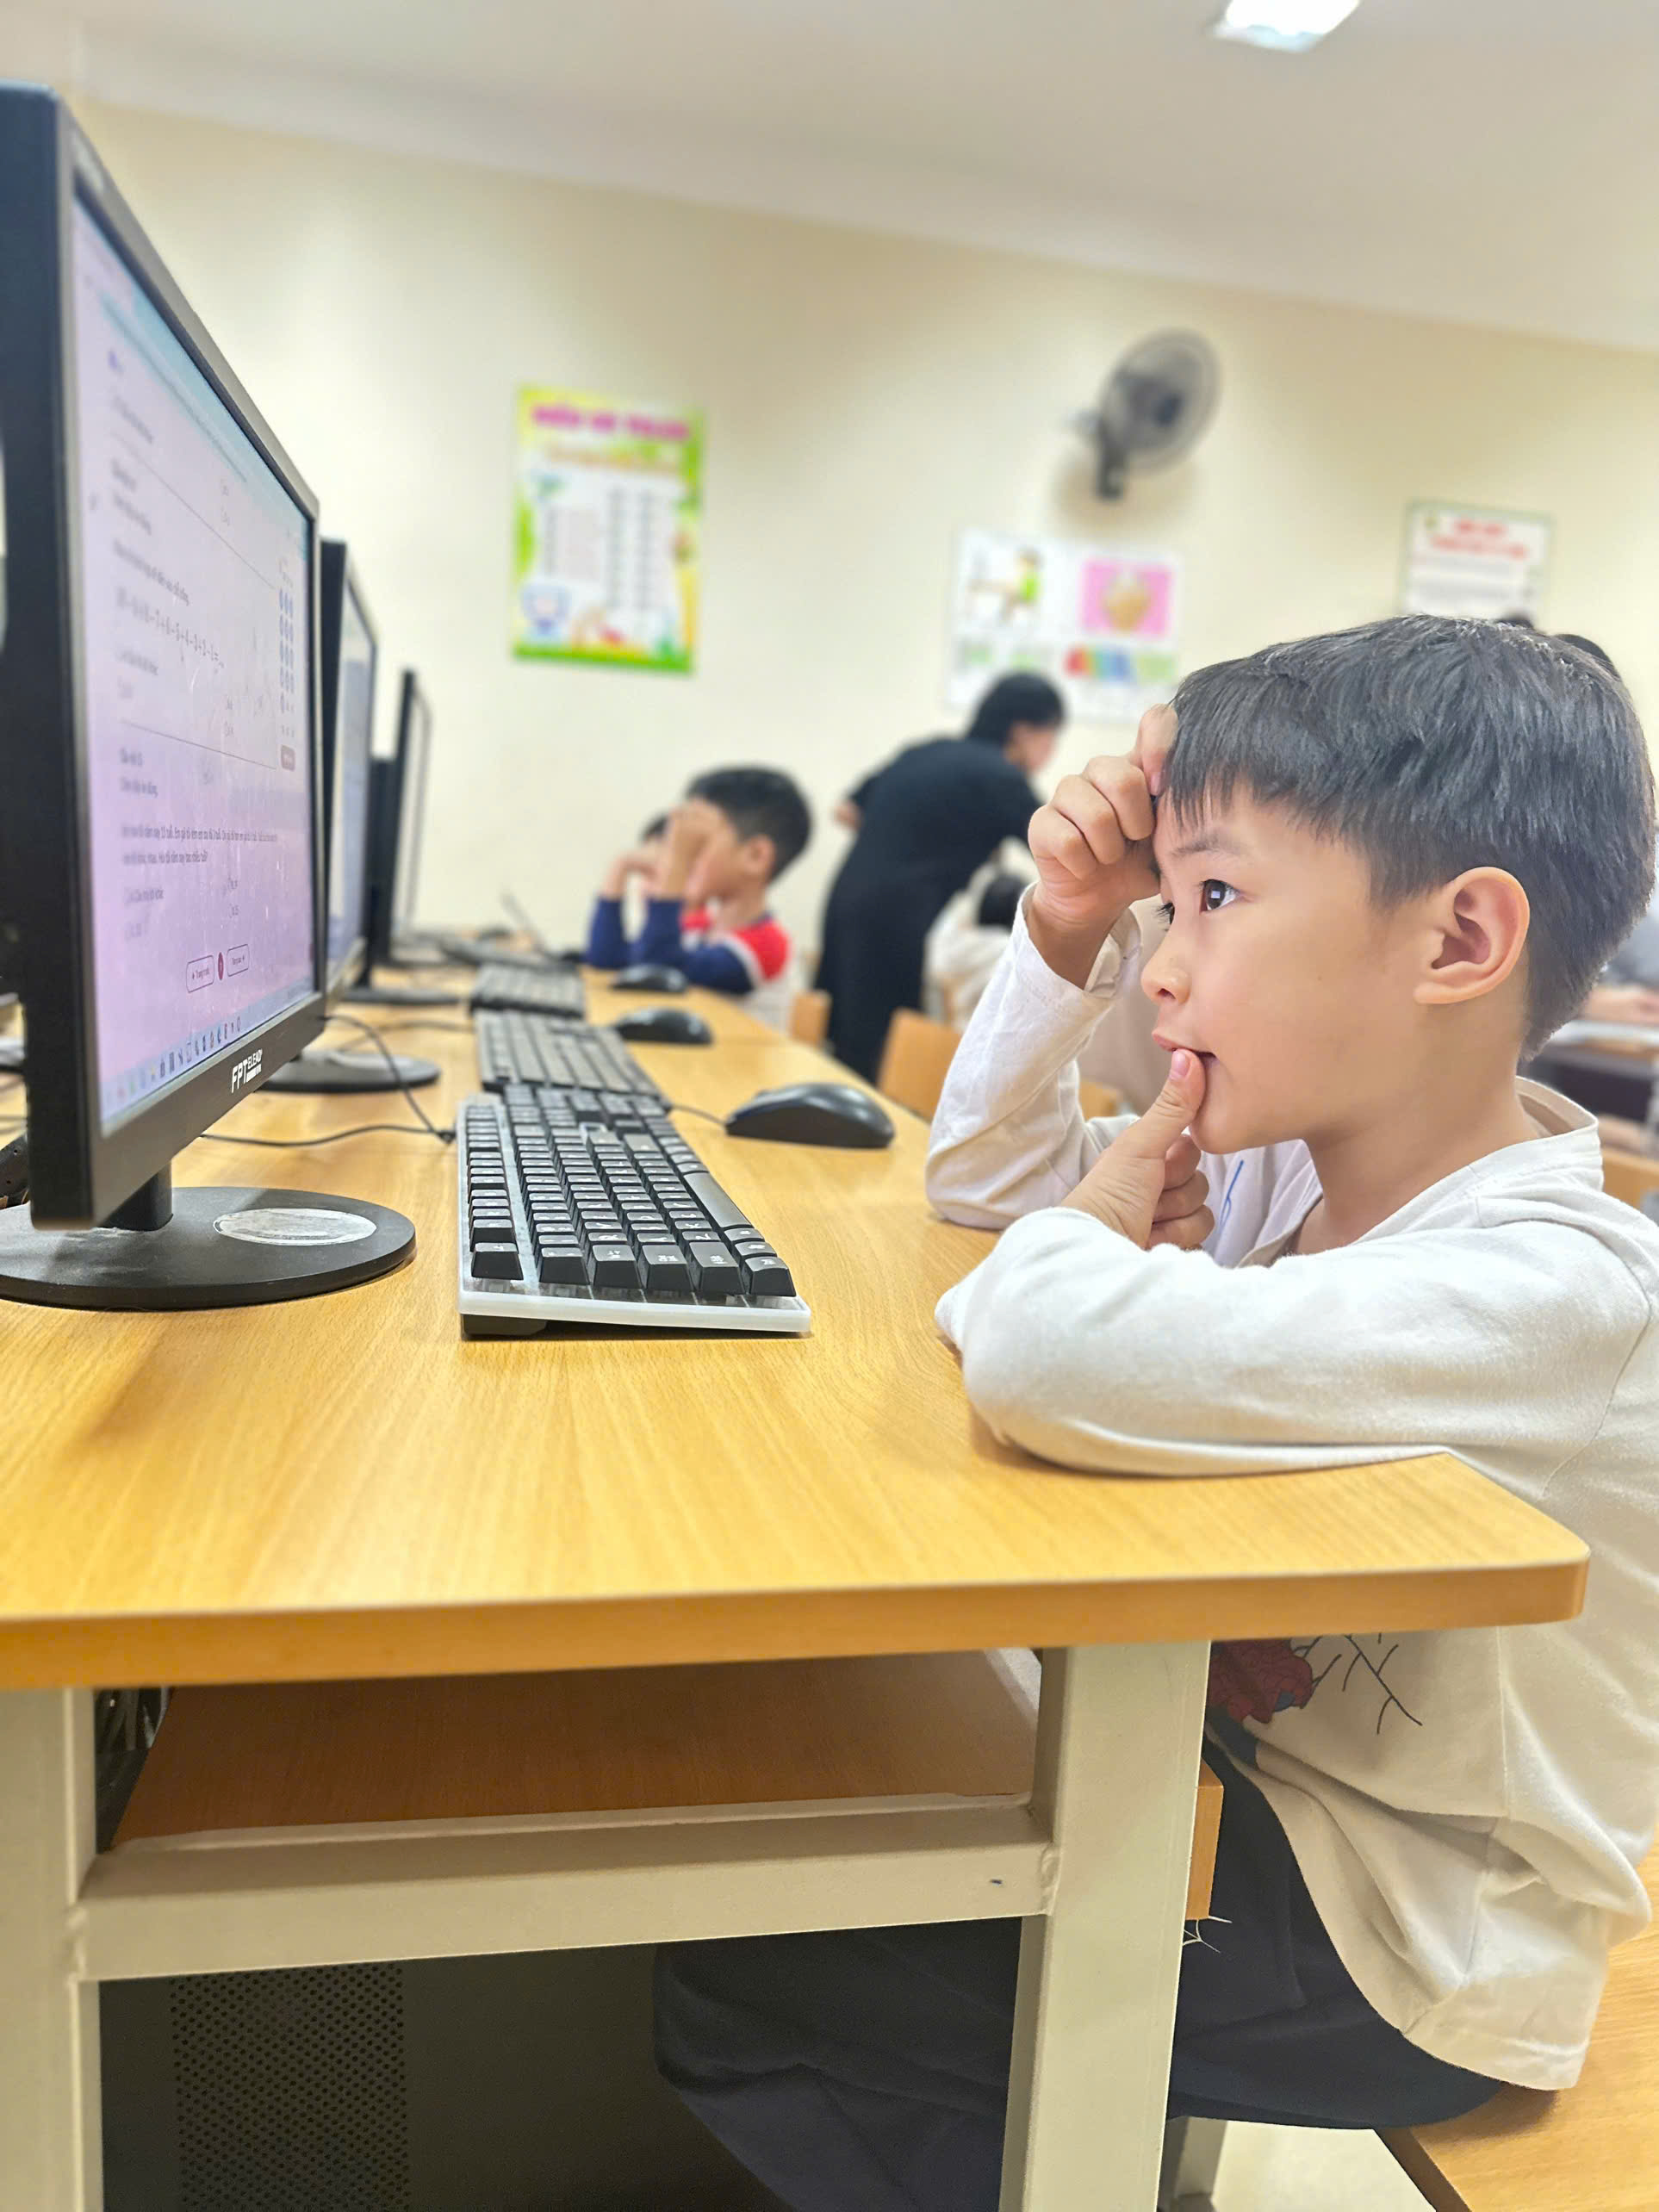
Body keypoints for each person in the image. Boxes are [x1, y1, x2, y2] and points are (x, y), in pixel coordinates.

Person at [654, 617, 1659, 2211]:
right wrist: (1064, 933)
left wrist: (1091, 1244)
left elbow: (1046, 1345)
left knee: (757, 1960)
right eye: (1166, 899)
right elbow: (987, 1206)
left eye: (1217, 897)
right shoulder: (1290, 1162)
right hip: (1224, 1782)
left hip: (1398, 1936)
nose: (1166, 956)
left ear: (1459, 940)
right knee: (797, 1775)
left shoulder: (1557, 1285)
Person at [816, 673, 1064, 1079]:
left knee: (845, 1045)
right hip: (895, 920)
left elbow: (847, 810)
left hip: (845, 901)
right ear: (1023, 732)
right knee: (885, 1056)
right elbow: (1056, 848)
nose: (1050, 751)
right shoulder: (1001, 777)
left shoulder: (925, 751)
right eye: (1050, 737)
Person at [587, 767, 811, 1030]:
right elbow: (609, 962)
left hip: (741, 1068)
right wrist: (620, 867)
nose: (675, 854)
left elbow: (655, 977)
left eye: (693, 841)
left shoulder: (768, 944)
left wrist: (677, 866)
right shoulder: (702, 928)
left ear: (755, 857)